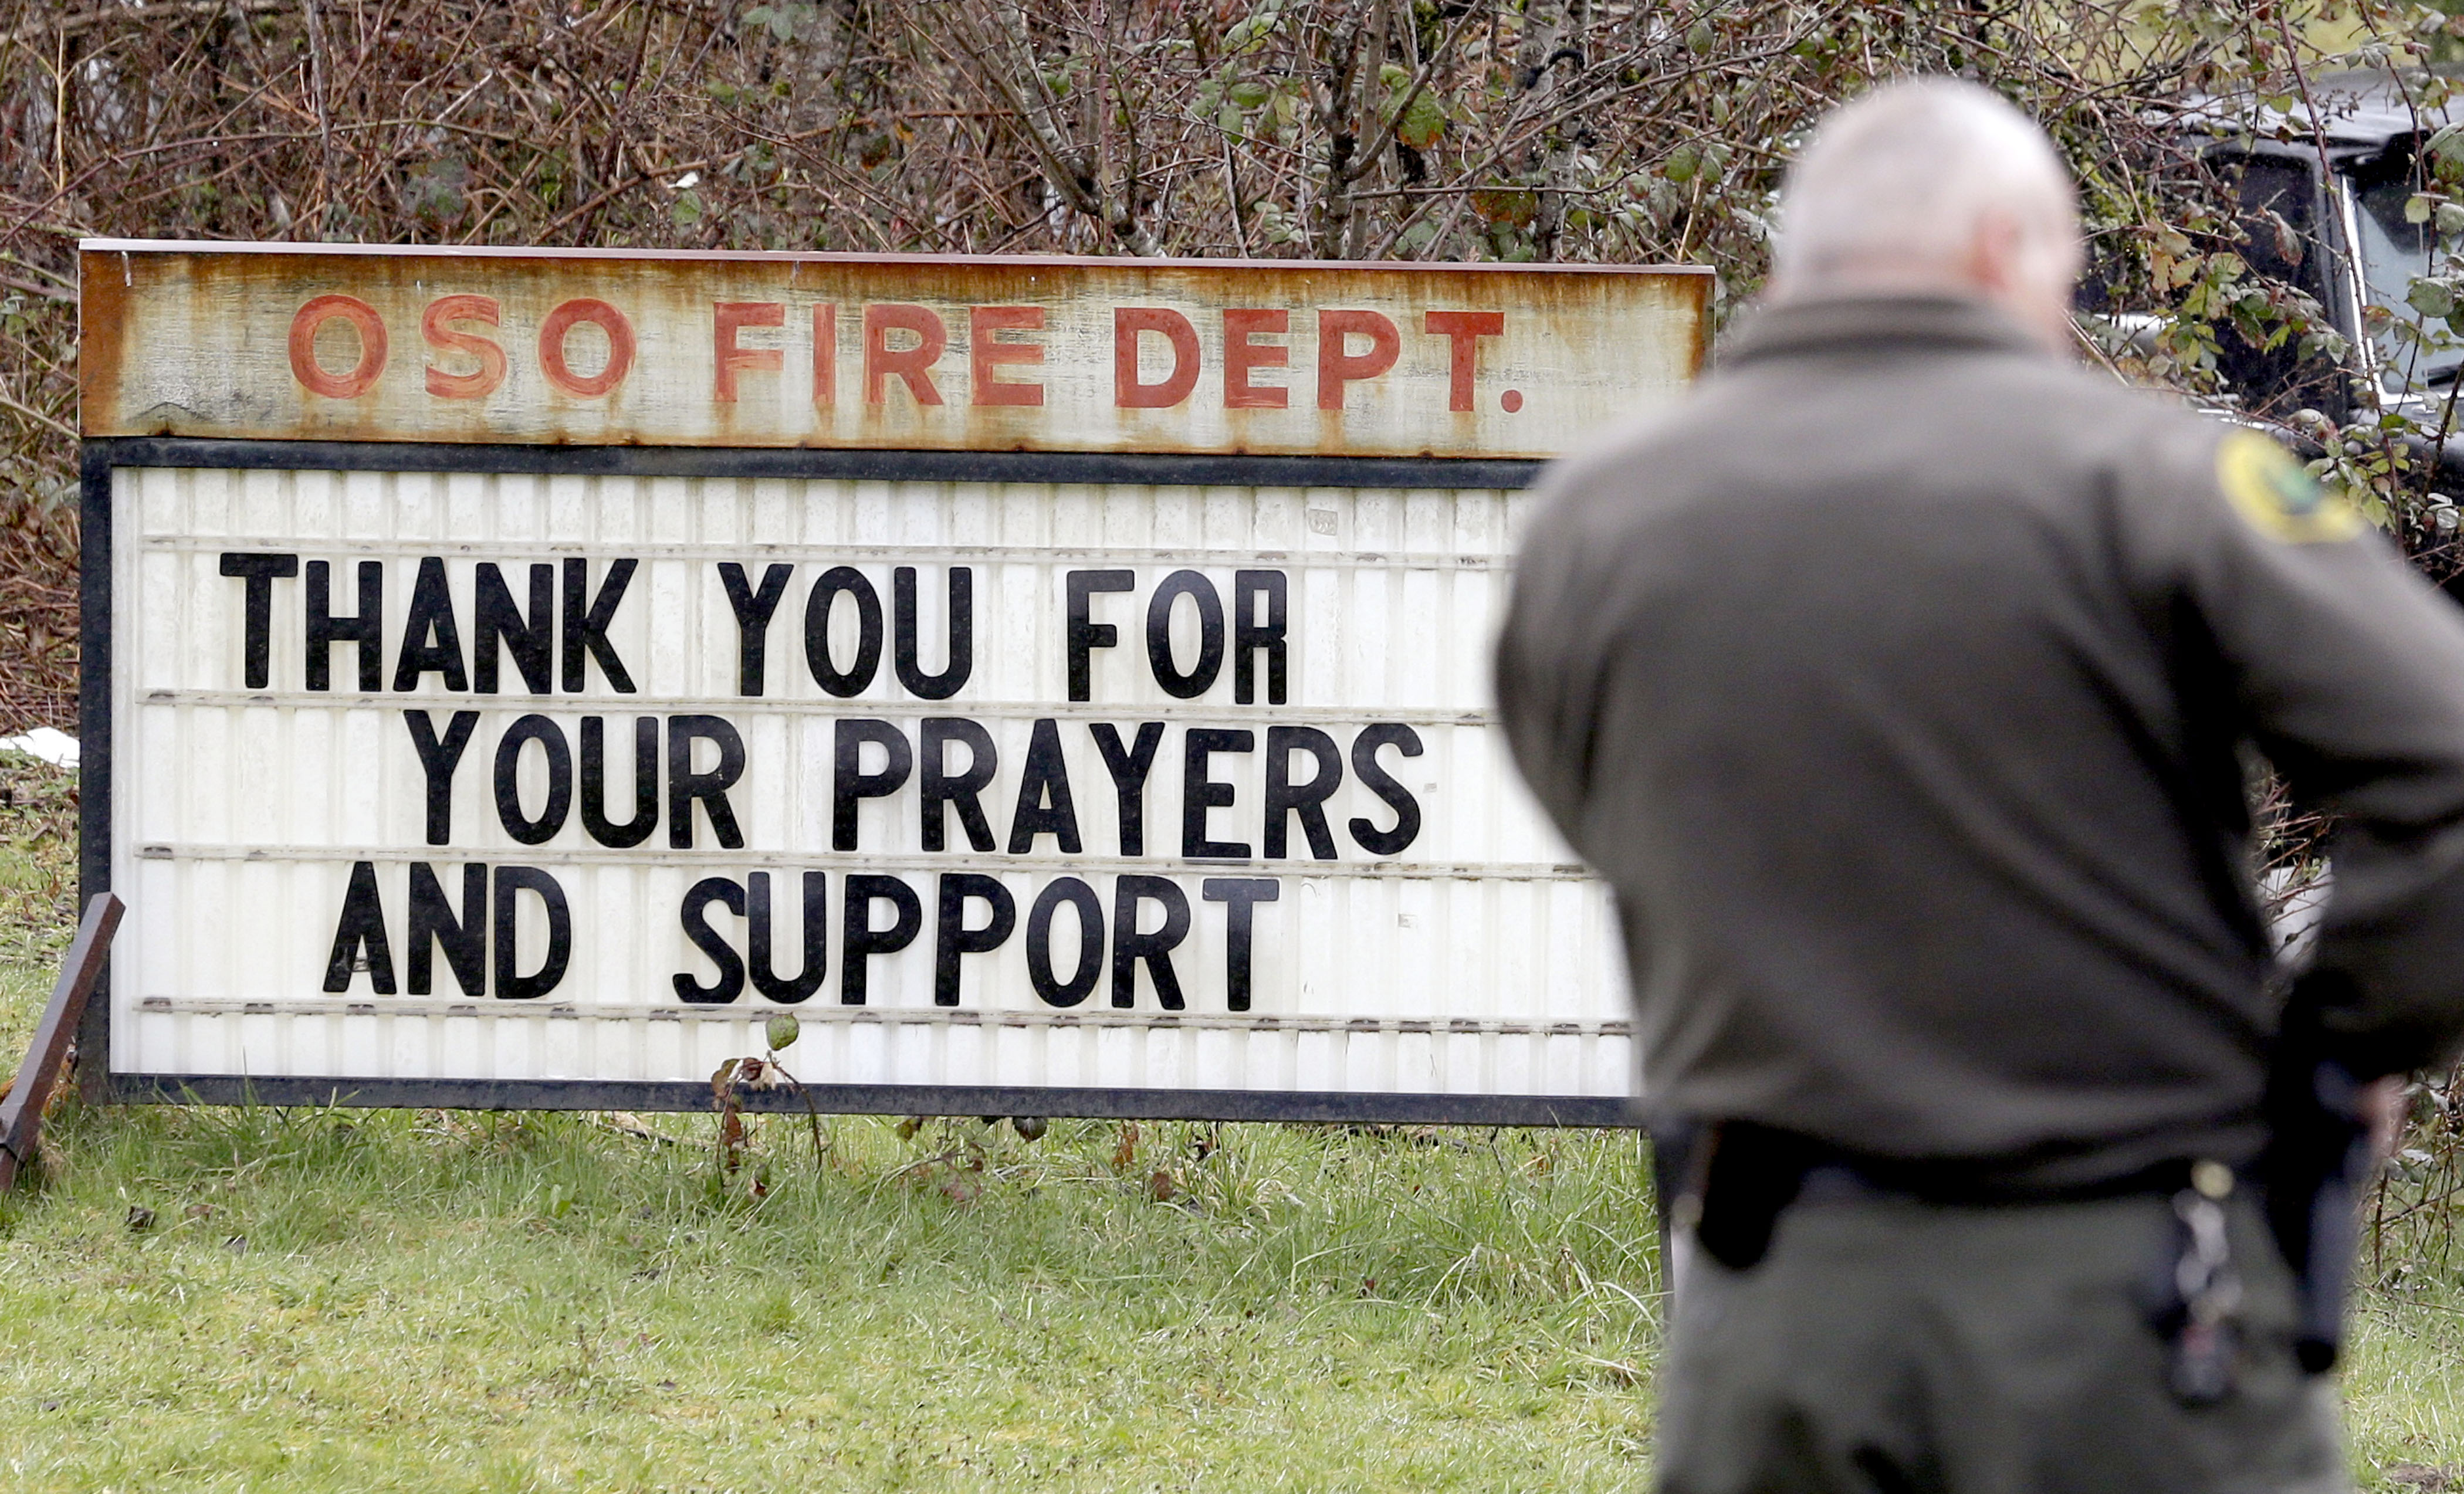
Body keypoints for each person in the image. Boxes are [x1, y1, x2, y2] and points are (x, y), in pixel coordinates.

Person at [1494, 77, 2464, 1493]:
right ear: (2014, 248)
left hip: (1776, 1313)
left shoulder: (1601, 518)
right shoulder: (2163, 485)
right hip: (2126, 1306)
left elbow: (1592, 797)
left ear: (1802, 257)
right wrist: (2334, 1056)